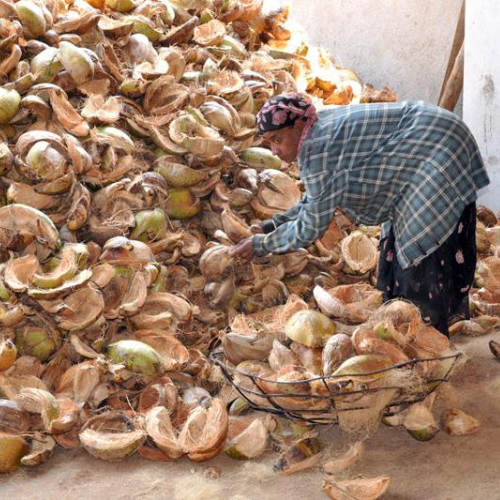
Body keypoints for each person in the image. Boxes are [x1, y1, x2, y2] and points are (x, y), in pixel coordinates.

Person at [229, 93, 490, 336]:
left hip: (439, 146)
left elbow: (310, 226)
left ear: (298, 126)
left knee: (420, 239)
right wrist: (271, 225)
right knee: (403, 238)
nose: (274, 150)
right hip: (432, 136)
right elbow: (315, 200)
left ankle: (426, 336)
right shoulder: (312, 131)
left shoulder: (318, 150)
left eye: (277, 140)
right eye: (268, 143)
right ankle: (408, 329)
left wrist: (261, 245)